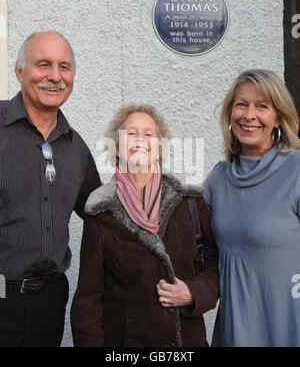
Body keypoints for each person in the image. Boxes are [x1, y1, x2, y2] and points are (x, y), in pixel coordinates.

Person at [71, 105, 219, 347]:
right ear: (116, 147)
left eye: (149, 134)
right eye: (130, 133)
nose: (140, 139)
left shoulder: (190, 201)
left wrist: (194, 292)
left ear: (159, 148)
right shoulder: (100, 210)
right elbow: (87, 301)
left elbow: (214, 264)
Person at [0, 31, 101, 347]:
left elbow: (100, 212)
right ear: (20, 72)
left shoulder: (75, 147)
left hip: (50, 302)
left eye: (64, 67)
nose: (55, 77)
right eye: (43, 65)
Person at [204, 69, 300, 347]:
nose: (249, 115)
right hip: (236, 325)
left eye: (262, 106)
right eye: (241, 104)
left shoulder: (295, 171)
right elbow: (190, 241)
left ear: (278, 117)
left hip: (287, 322)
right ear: (230, 112)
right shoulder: (219, 178)